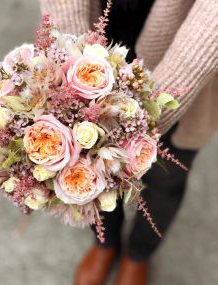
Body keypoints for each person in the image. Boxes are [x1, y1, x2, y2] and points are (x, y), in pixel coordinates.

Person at [38, 0, 218, 284]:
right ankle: (105, 243)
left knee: (167, 179)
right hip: (102, 25)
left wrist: (158, 105)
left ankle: (138, 253)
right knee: (84, 170)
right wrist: (73, 62)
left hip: (188, 51)